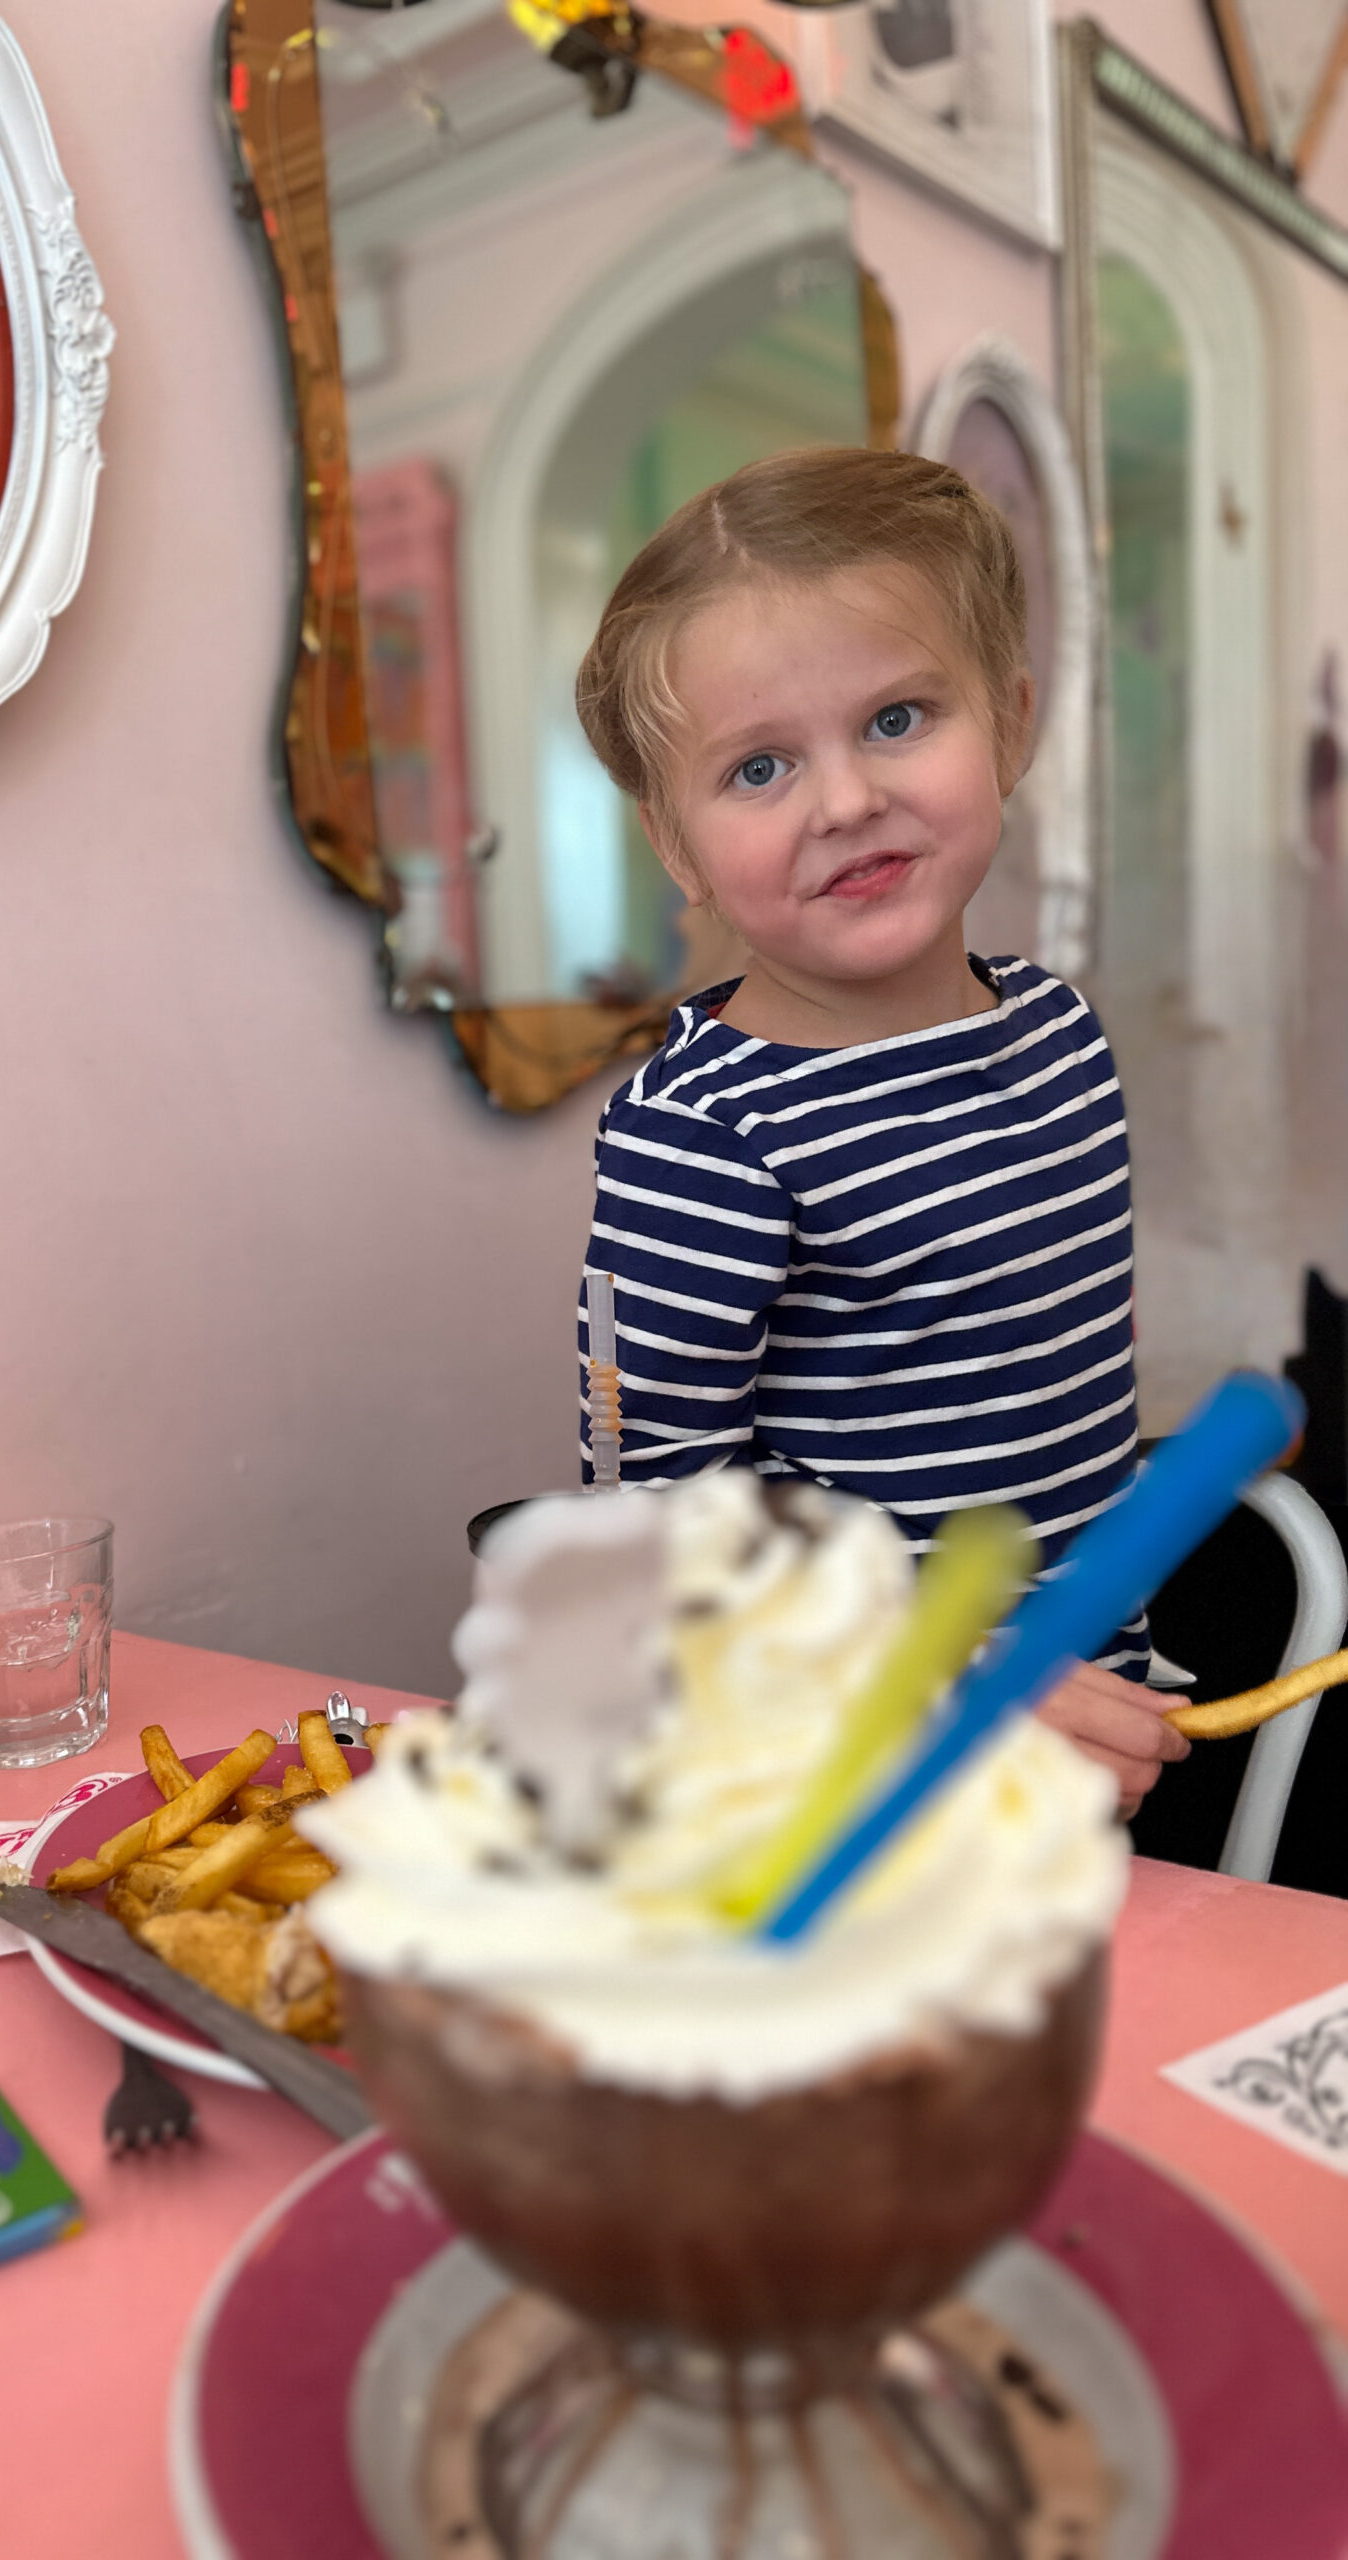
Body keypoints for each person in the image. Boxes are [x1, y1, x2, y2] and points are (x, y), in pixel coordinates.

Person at [574, 444, 1186, 1815]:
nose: (845, 801)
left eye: (898, 718)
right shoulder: (703, 1138)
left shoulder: (1061, 1032)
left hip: (1096, 1726)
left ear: (1011, 724)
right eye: (759, 768)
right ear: (675, 847)